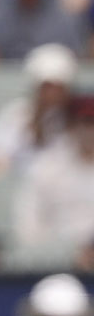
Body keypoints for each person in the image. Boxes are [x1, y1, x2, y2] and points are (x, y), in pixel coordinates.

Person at [14, 94, 94, 261]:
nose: (91, 130)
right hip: (59, 267)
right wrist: (67, 252)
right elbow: (28, 228)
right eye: (87, 122)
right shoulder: (46, 168)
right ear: (71, 125)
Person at [0, 43, 76, 176]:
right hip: (24, 188)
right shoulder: (16, 114)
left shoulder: (80, 118)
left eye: (58, 86)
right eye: (47, 86)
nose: (52, 92)